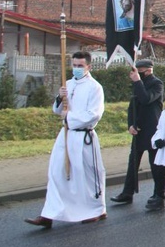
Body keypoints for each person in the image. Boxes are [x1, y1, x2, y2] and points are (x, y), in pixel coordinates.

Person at [25, 51, 106, 228]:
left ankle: (96, 210)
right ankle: (49, 214)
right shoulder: (67, 84)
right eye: (74, 65)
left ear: (88, 67)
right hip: (66, 134)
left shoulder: (95, 87)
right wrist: (59, 98)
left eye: (80, 66)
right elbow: (57, 110)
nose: (76, 69)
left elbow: (93, 114)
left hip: (84, 136)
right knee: (56, 172)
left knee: (86, 175)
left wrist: (68, 116)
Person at [111, 58, 164, 205]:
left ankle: (158, 195)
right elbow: (132, 106)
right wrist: (130, 125)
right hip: (138, 129)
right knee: (133, 162)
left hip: (153, 129)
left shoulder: (157, 84)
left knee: (156, 164)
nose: (137, 75)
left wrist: (137, 82)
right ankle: (127, 192)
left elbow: (146, 99)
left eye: (140, 72)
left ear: (148, 71)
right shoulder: (138, 84)